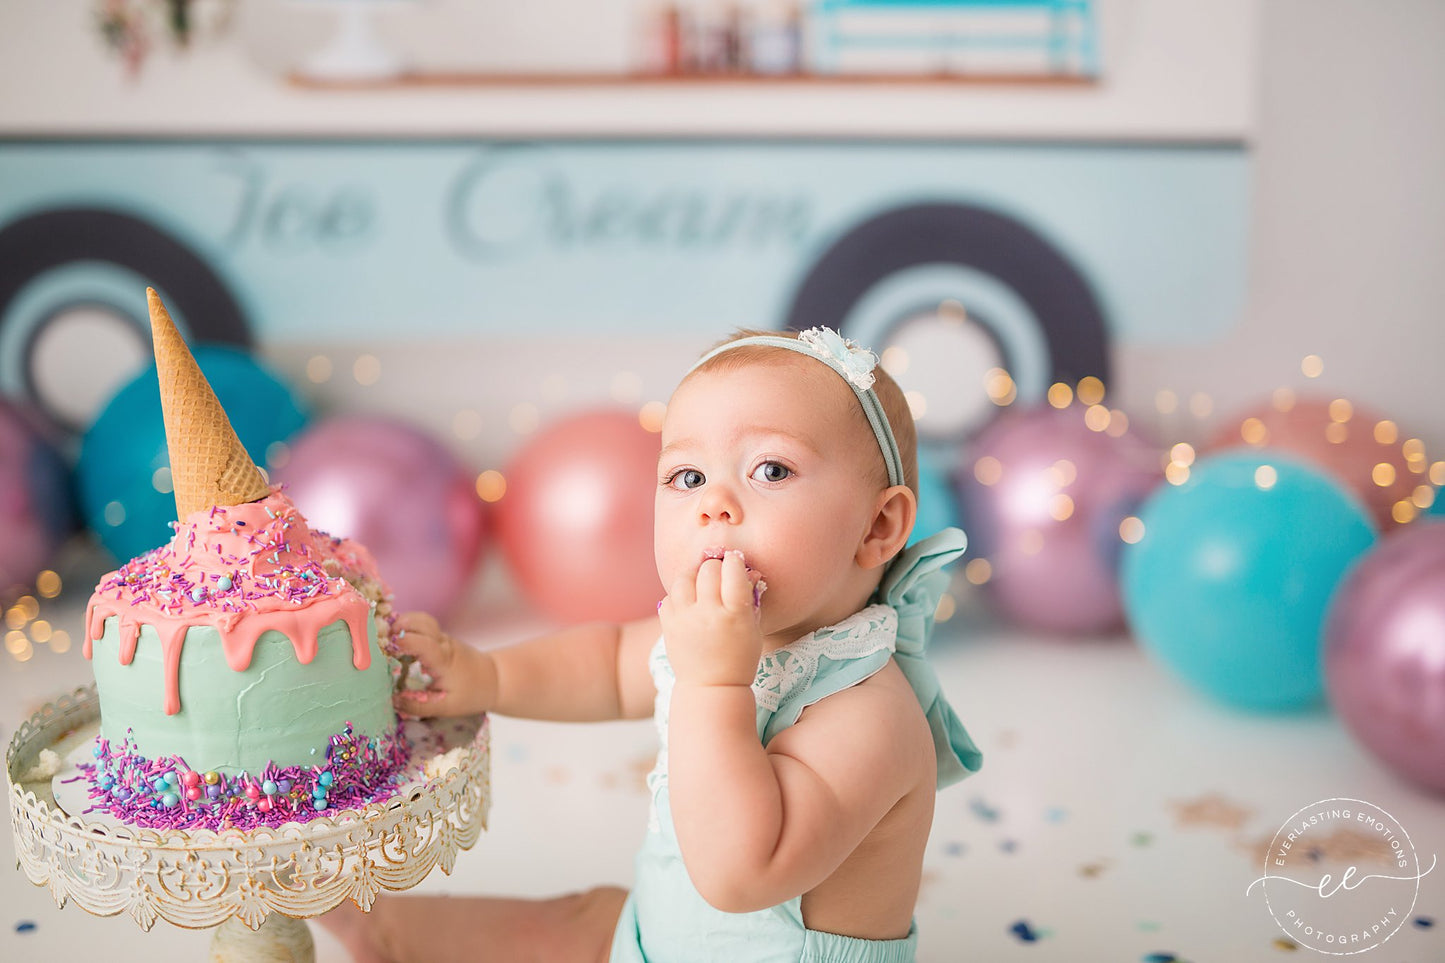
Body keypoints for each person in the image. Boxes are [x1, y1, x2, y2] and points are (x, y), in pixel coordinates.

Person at [321, 326, 983, 963]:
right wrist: (487, 674)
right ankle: (390, 932)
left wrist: (713, 684)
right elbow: (609, 665)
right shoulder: (708, 636)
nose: (713, 503)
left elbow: (739, 874)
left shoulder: (869, 715)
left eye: (771, 469)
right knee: (582, 918)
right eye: (687, 476)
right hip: (655, 937)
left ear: (878, 524)